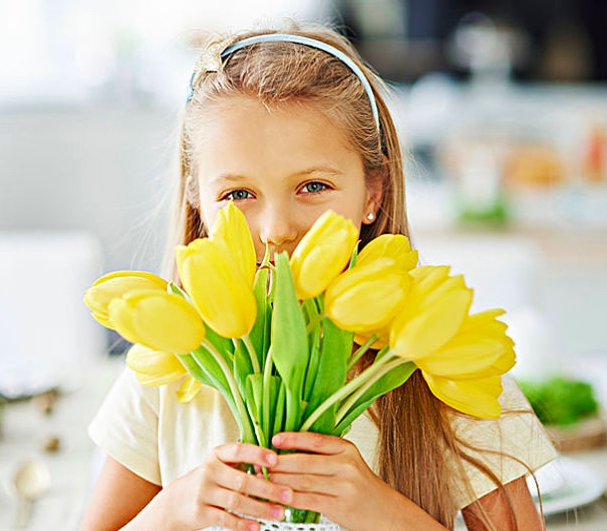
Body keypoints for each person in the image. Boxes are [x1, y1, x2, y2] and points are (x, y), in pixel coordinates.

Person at [79, 21, 556, 531]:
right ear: (197, 197)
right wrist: (173, 512)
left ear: (374, 193)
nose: (277, 230)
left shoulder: (445, 357)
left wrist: (381, 513)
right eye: (238, 194)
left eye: (313, 185)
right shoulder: (171, 361)